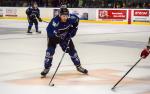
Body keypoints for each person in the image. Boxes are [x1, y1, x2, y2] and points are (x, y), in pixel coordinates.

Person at [41, 7, 88, 78]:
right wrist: (56, 36)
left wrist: (73, 29)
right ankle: (46, 68)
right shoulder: (55, 21)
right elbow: (49, 31)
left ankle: (78, 66)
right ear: (59, 15)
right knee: (49, 52)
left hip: (65, 37)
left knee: (72, 51)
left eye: (66, 15)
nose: (65, 17)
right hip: (53, 37)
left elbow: (77, 20)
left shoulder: (72, 18)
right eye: (63, 15)